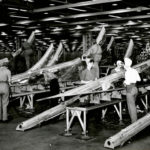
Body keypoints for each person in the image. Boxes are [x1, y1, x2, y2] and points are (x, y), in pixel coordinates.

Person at [124, 57, 141, 123]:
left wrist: (124, 82)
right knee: (133, 104)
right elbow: (139, 79)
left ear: (126, 65)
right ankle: (133, 120)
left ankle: (134, 122)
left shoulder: (127, 72)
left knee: (131, 106)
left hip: (130, 90)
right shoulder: (135, 70)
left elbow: (127, 82)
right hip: (135, 89)